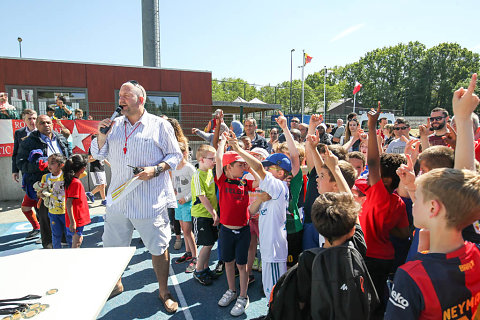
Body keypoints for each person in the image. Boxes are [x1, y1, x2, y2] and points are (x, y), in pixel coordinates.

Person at [91, 80, 182, 314]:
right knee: (112, 248)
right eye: (120, 95)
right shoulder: (113, 125)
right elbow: (97, 154)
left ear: (141, 100)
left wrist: (156, 169)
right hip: (118, 202)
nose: (121, 99)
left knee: (158, 248)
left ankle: (164, 291)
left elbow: (175, 156)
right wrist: (101, 136)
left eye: (126, 96)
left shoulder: (159, 125)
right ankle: (117, 282)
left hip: (149, 202)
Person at [362, 104, 410, 316]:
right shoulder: (398, 202)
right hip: (385, 258)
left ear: (387, 179)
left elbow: (372, 161)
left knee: (363, 301)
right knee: (379, 298)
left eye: (379, 173)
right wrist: (385, 227)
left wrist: (372, 127)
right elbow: (404, 233)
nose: (374, 174)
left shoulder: (378, 193)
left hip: (367, 256)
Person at [233, 140, 291, 298]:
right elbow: (251, 211)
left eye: (268, 168)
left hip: (273, 250)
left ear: (280, 173)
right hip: (269, 249)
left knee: (274, 293)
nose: (264, 170)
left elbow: (258, 168)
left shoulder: (278, 186)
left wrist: (238, 149)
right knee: (270, 292)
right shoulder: (270, 191)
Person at [16, 115, 71, 249]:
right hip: (44, 186)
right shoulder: (28, 142)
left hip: (63, 184)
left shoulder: (60, 138)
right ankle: (48, 244)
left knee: (66, 213)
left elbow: (68, 155)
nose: (46, 125)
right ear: (37, 125)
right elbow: (21, 163)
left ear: (52, 124)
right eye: (42, 123)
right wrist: (42, 165)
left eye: (48, 122)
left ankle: (65, 241)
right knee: (46, 217)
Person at [216, 136, 255, 316]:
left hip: (243, 231)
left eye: (244, 165)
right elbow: (218, 158)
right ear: (228, 167)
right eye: (240, 165)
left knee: (243, 265)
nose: (243, 167)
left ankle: (243, 296)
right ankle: (232, 291)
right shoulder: (222, 181)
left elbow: (258, 174)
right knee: (228, 263)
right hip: (226, 231)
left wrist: (244, 158)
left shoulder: (245, 182)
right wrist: (223, 143)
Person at [190, 144, 219, 285]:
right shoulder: (197, 175)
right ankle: (198, 270)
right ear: (201, 159)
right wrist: (214, 213)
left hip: (210, 215)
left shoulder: (209, 172)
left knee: (210, 243)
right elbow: (202, 197)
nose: (214, 161)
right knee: (206, 244)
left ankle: (205, 268)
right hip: (201, 215)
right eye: (211, 159)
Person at [12, 109, 41, 239]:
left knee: (39, 203)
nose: (32, 121)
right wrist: (14, 170)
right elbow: (16, 153)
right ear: (23, 120)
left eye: (34, 118)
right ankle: (38, 228)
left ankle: (43, 229)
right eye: (29, 119)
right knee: (32, 202)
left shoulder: (41, 132)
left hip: (41, 174)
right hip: (26, 174)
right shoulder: (19, 133)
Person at [172, 142, 197, 273]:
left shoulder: (189, 168)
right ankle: (188, 252)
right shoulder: (174, 168)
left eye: (179, 153)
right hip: (177, 203)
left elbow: (195, 187)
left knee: (187, 231)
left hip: (187, 203)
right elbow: (173, 184)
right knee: (183, 229)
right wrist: (174, 192)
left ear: (185, 153)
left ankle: (195, 257)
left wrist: (186, 198)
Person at [37, 154, 69, 249]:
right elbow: (40, 192)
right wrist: (41, 194)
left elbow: (83, 174)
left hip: (66, 212)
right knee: (55, 235)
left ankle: (72, 251)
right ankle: (55, 252)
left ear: (61, 165)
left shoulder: (66, 176)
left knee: (69, 234)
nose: (49, 165)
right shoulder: (45, 177)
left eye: (52, 163)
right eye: (48, 162)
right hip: (52, 212)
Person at [64, 154, 91, 248]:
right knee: (77, 241)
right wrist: (73, 222)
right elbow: (69, 203)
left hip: (75, 218)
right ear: (82, 169)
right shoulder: (75, 182)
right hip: (76, 218)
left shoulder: (71, 180)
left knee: (77, 240)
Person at [86, 135, 110, 206]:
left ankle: (91, 194)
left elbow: (103, 157)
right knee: (102, 185)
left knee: (104, 185)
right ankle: (104, 200)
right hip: (95, 168)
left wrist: (109, 164)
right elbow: (89, 159)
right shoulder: (91, 148)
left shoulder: (101, 147)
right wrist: (96, 157)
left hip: (101, 167)